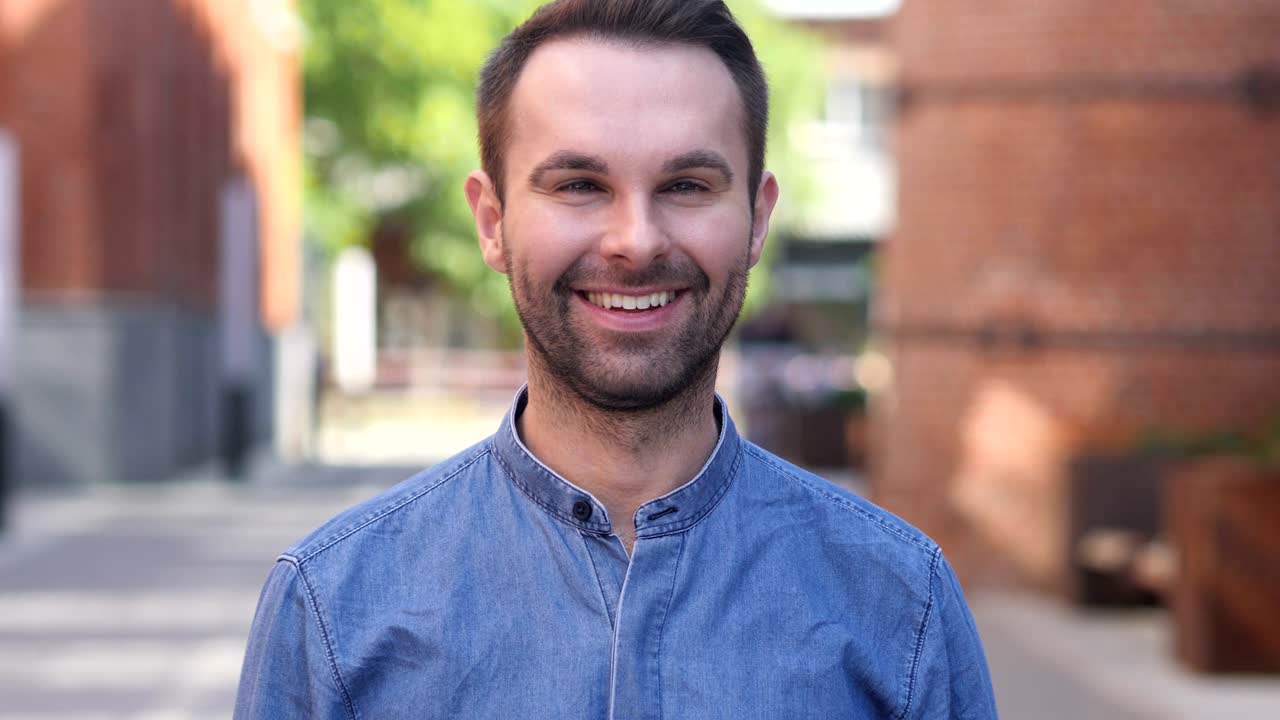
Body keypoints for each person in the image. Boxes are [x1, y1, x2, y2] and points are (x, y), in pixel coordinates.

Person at [234, 1, 998, 717]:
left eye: (686, 185)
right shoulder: (334, 609)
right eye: (579, 185)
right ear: (492, 221)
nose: (635, 241)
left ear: (757, 219)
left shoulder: (901, 607)